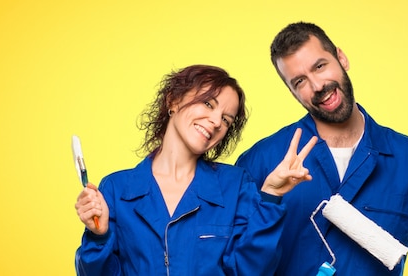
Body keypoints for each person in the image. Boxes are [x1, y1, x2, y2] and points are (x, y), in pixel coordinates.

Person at [235, 22, 408, 275]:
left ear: (342, 58)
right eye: (299, 82)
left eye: (319, 66)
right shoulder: (261, 162)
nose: (317, 86)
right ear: (292, 92)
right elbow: (234, 262)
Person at [74, 64, 317, 275]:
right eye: (208, 104)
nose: (215, 121)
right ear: (174, 100)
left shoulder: (236, 185)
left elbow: (252, 270)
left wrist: (271, 198)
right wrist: (98, 237)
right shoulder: (117, 189)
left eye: (225, 120)